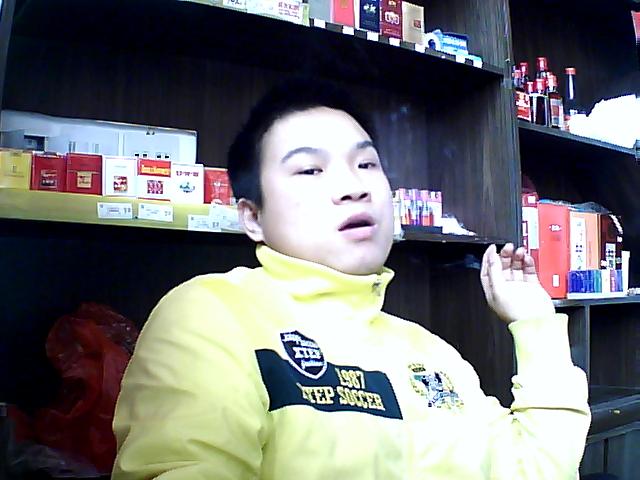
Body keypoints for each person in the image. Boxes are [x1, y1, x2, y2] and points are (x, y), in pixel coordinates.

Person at [112, 78, 590, 479]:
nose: (353, 187)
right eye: (310, 170)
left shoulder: (432, 353)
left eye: (366, 164)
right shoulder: (210, 316)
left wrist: (535, 324)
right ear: (252, 216)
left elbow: (539, 470)